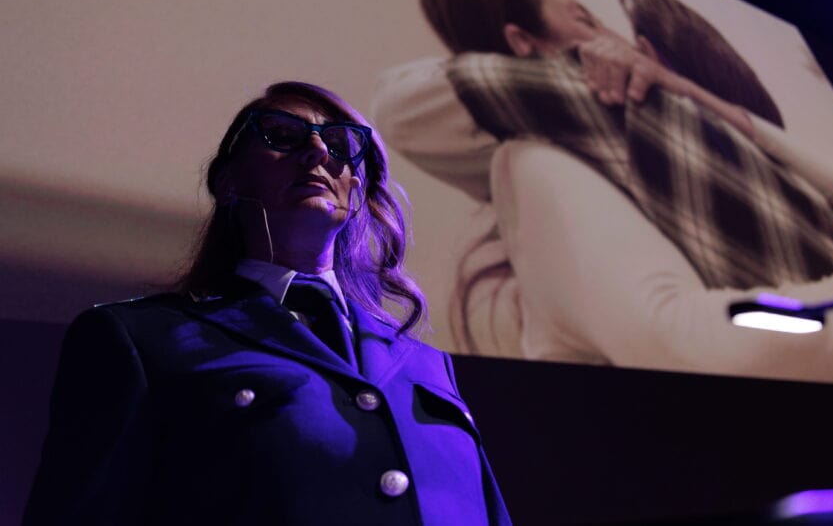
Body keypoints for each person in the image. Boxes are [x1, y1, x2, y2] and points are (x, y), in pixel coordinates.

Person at [374, 0, 833, 391]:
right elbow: (683, 344)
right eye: (582, 17)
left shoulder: (668, 143)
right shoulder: (542, 165)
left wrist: (696, 97)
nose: (612, 37)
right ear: (522, 42)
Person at [25, 82, 511, 525]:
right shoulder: (143, 340)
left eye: (340, 145)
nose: (318, 150)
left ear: (358, 189)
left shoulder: (427, 364)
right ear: (227, 181)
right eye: (282, 135)